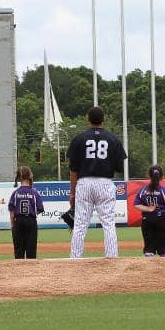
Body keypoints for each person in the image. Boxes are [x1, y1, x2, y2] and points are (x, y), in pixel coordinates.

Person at [67, 106, 126, 259]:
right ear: (103, 119)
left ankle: (75, 258)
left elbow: (73, 170)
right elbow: (119, 167)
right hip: (105, 182)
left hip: (84, 182)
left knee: (80, 224)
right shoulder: (113, 139)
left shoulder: (79, 139)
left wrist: (72, 193)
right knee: (108, 222)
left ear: (88, 119)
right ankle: (112, 257)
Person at [133, 165, 165, 257]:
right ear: (162, 177)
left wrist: (148, 209)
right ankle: (164, 267)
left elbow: (136, 204)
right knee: (163, 247)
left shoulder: (143, 190)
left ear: (149, 176)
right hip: (162, 219)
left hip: (147, 219)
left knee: (149, 247)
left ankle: (149, 269)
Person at [8, 166, 44, 259]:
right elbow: (40, 208)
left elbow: (11, 210)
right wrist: (33, 214)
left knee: (19, 251)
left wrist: (12, 224)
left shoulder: (15, 193)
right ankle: (31, 272)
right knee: (31, 252)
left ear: (19, 178)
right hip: (31, 221)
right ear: (29, 176)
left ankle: (19, 272)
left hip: (18, 222)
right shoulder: (34, 192)